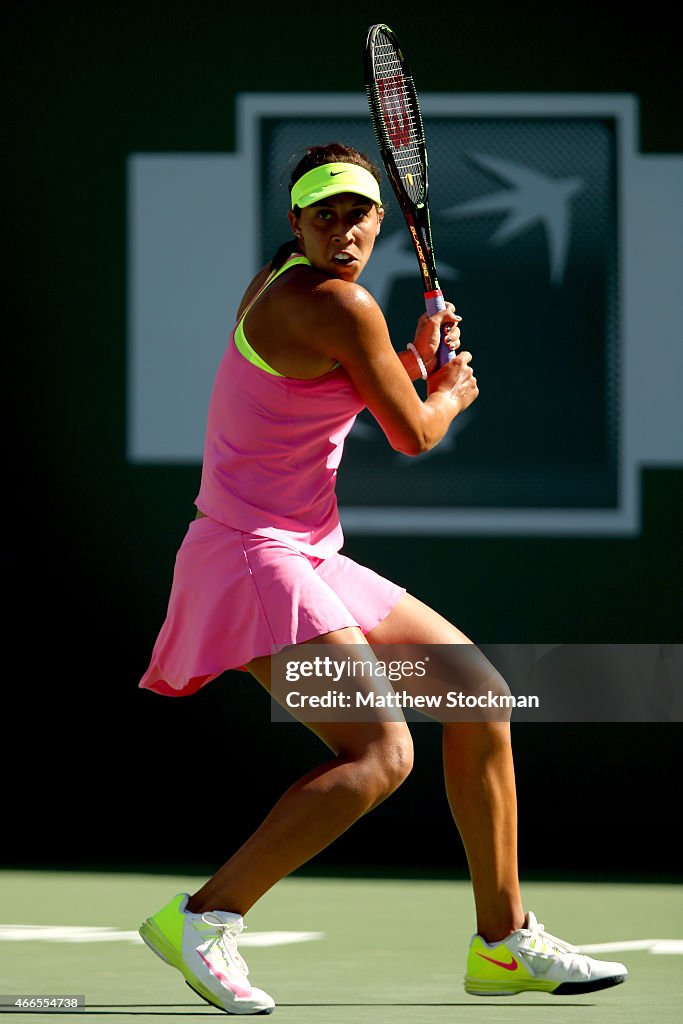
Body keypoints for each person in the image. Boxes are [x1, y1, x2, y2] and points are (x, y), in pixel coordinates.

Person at [137, 142, 628, 1014]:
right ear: (295, 223)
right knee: (379, 754)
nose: (343, 230)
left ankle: (504, 944)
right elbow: (413, 436)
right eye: (321, 214)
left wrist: (408, 364)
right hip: (254, 557)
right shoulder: (337, 303)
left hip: (301, 549)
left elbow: (333, 392)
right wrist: (448, 391)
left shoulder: (279, 287)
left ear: (377, 218)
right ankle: (205, 917)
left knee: (477, 694)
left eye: (358, 213)